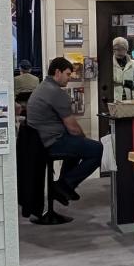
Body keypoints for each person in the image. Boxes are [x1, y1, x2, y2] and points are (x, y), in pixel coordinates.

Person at [25, 57, 102, 204]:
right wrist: (84, 139)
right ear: (57, 72)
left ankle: (64, 187)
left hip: (38, 141)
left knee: (78, 146)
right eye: (67, 74)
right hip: (50, 143)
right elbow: (73, 128)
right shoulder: (56, 93)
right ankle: (63, 185)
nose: (69, 78)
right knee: (96, 149)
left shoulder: (42, 87)